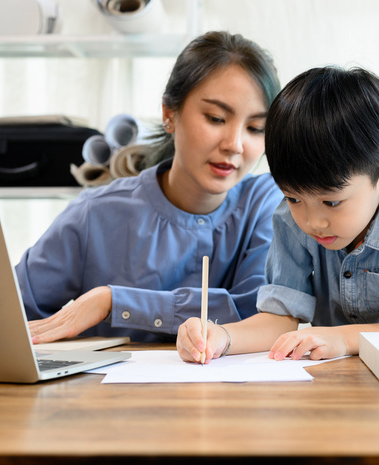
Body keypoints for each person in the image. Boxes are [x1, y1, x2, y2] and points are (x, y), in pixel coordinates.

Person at [177, 66, 379, 362]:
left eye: (332, 203)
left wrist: (345, 339)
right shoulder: (289, 217)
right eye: (293, 197)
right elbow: (280, 318)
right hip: (354, 378)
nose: (313, 222)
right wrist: (221, 337)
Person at [18, 31, 283, 343]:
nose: (235, 145)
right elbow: (5, 311)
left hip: (228, 393)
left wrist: (114, 302)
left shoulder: (267, 203)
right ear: (169, 114)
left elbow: (254, 314)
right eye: (215, 118)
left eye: (255, 128)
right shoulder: (94, 215)